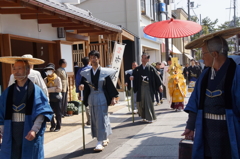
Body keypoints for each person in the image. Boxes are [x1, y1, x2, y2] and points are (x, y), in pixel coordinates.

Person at [181, 30, 240, 159]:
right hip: (206, 130)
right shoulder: (205, 75)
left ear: (215, 54)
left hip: (230, 130)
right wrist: (190, 126)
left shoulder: (236, 72)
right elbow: (195, 101)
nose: (202, 58)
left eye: (204, 54)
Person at [0, 56, 53, 159]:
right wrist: (1, 131)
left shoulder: (36, 90)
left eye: (19, 68)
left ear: (28, 71)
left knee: (30, 154)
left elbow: (42, 112)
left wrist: (34, 129)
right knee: (12, 154)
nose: (16, 71)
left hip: (28, 128)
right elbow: (1, 112)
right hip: (11, 130)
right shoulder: (8, 92)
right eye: (14, 69)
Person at [79, 50, 118, 151]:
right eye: (91, 57)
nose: (93, 59)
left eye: (95, 57)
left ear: (98, 58)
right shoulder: (87, 73)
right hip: (92, 98)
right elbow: (84, 85)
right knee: (95, 119)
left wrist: (113, 98)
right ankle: (103, 137)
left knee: (101, 119)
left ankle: (99, 141)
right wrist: (81, 91)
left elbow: (109, 86)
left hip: (101, 97)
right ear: (90, 59)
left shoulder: (104, 72)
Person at [130, 53, 162, 123]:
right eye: (142, 58)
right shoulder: (138, 69)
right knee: (141, 102)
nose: (143, 59)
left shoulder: (151, 68)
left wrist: (160, 85)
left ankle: (150, 117)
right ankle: (144, 116)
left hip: (148, 87)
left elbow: (157, 77)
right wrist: (132, 77)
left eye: (145, 58)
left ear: (148, 59)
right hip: (140, 87)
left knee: (148, 102)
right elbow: (133, 75)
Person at [44, 63, 62, 132]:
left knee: (58, 113)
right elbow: (44, 89)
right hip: (49, 98)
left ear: (53, 70)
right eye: (47, 70)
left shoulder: (57, 78)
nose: (49, 71)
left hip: (57, 97)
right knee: (50, 112)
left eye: (50, 70)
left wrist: (49, 89)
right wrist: (54, 88)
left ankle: (58, 126)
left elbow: (59, 89)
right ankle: (52, 125)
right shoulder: (45, 79)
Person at [75, 57, 92, 125]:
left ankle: (89, 119)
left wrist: (79, 92)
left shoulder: (80, 70)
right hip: (93, 89)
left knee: (86, 104)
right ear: (89, 62)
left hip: (84, 89)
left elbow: (78, 82)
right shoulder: (92, 69)